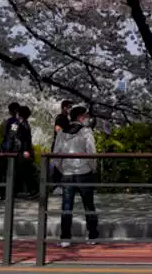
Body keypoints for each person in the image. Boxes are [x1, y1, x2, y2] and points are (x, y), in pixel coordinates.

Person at [54, 105, 100, 247]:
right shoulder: (86, 132)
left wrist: (63, 169)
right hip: (84, 172)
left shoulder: (62, 133)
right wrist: (93, 168)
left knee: (67, 206)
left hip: (67, 174)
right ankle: (92, 235)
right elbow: (91, 153)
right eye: (85, 116)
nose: (87, 119)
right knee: (89, 205)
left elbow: (56, 155)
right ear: (81, 117)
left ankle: (65, 237)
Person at [14, 105, 38, 198]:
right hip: (22, 152)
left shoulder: (22, 123)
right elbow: (15, 137)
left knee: (24, 171)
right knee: (24, 171)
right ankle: (32, 190)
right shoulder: (19, 123)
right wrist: (23, 150)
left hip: (23, 151)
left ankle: (30, 190)